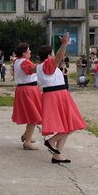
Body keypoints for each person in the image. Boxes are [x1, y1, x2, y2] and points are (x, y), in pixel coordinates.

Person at [36, 34, 86, 164]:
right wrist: (64, 43)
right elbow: (58, 57)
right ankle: (51, 141)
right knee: (74, 124)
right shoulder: (48, 64)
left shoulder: (41, 66)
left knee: (67, 126)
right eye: (52, 53)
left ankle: (57, 155)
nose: (54, 55)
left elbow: (58, 58)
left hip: (56, 94)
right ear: (48, 56)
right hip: (56, 95)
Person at [11, 43, 42, 150]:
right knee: (33, 116)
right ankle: (27, 142)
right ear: (24, 53)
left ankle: (26, 135)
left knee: (31, 114)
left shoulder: (17, 61)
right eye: (28, 50)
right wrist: (45, 62)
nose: (30, 52)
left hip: (25, 89)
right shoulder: (24, 62)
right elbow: (33, 69)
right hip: (28, 90)